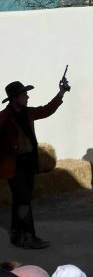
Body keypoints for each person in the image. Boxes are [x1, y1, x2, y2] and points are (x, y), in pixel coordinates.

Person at [0, 76, 69, 250]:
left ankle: (16, 233)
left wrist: (61, 92)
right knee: (23, 200)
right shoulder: (3, 118)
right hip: (13, 165)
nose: (27, 97)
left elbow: (47, 110)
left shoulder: (27, 112)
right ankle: (29, 237)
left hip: (28, 162)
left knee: (21, 199)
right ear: (14, 98)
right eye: (24, 94)